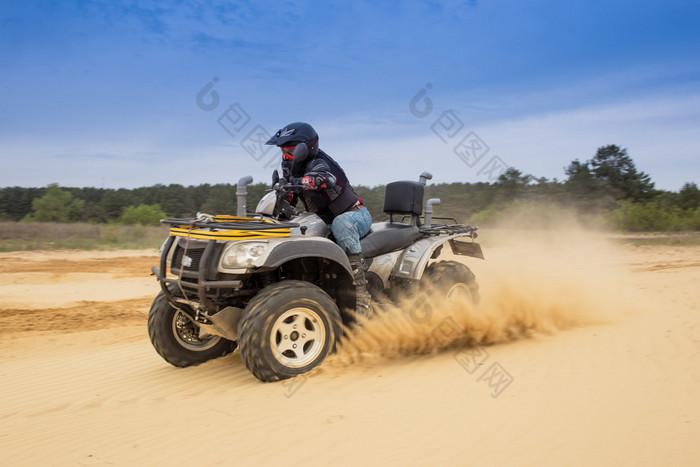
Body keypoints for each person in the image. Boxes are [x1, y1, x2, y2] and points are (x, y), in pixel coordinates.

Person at [265, 122, 373, 316]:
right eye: (284, 151)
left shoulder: (321, 162)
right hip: (325, 223)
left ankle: (361, 296)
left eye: (291, 151)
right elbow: (291, 196)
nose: (286, 156)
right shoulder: (291, 169)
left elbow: (323, 177)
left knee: (341, 224)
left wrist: (305, 181)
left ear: (306, 148)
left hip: (355, 216)